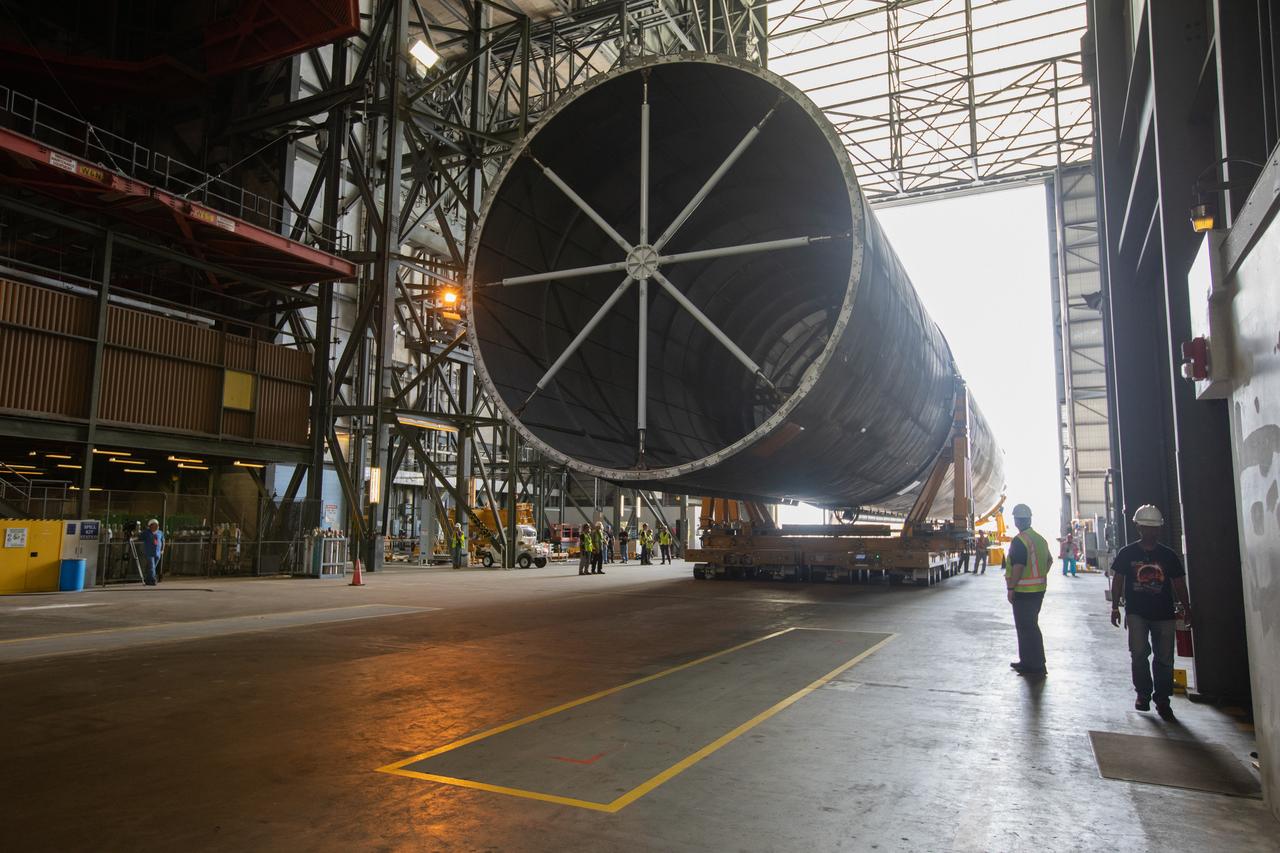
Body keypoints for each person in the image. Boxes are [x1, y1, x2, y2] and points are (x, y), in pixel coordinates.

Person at [1109, 504, 1191, 720]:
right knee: (1138, 654)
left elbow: (1179, 583)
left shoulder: (1168, 556)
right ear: (1138, 527)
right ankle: (1143, 695)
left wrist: (1187, 607)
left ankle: (1162, 700)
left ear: (1159, 530)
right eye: (1146, 527)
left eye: (1153, 528)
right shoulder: (1127, 554)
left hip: (1164, 614)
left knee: (1164, 659)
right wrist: (1114, 606)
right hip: (1137, 613)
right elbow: (1118, 580)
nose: (1150, 531)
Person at [1005, 503, 1052, 677]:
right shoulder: (1040, 539)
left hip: (1024, 592)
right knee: (1028, 627)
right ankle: (1027, 661)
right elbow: (1049, 561)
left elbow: (1018, 565)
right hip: (1038, 590)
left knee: (1027, 628)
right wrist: (1039, 575)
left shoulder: (1020, 540)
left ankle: (1037, 665)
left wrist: (1011, 587)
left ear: (1017, 521)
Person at [141, 518, 164, 586]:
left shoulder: (160, 532)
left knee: (153, 567)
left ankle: (148, 580)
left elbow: (163, 541)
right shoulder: (146, 532)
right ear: (150, 526)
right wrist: (132, 538)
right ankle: (153, 580)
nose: (156, 526)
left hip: (157, 553)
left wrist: (162, 549)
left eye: (157, 525)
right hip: (149, 552)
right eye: (154, 525)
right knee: (152, 567)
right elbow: (139, 537)